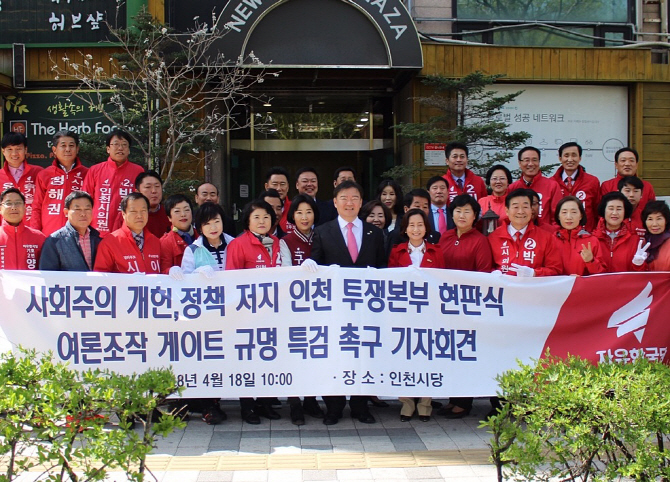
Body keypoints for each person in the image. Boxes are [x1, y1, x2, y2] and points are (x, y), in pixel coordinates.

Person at [304, 180, 386, 426]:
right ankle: (334, 407)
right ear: (335, 202)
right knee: (335, 357)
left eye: (354, 198)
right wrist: (309, 265)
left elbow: (382, 269)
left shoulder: (374, 233)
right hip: (335, 309)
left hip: (365, 308)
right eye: (344, 198)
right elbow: (316, 262)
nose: (349, 203)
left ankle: (361, 406)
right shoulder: (323, 230)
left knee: (364, 355)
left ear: (361, 203)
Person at [226, 200, 282, 424]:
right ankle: (247, 406)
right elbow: (231, 279)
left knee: (269, 358)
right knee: (247, 360)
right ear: (247, 221)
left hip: (274, 312)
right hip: (247, 314)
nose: (262, 221)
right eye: (256, 217)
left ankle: (266, 403)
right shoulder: (238, 245)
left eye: (266, 217)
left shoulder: (277, 242)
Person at [438, 194, 493, 419]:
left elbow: (484, 274)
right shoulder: (446, 237)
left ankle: (465, 401)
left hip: (469, 305)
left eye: (467, 211)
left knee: (466, 353)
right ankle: (453, 398)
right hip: (445, 304)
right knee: (450, 354)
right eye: (458, 211)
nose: (462, 215)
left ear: (475, 216)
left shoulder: (480, 240)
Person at [387, 208, 443, 422]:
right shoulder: (397, 251)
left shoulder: (437, 251)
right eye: (411, 225)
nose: (416, 229)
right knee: (404, 357)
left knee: (427, 358)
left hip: (429, 314)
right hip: (404, 314)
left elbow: (441, 282)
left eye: (420, 225)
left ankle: (425, 405)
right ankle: (407, 403)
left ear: (426, 228)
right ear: (405, 229)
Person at [277, 194, 326, 425]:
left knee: (315, 352)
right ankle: (294, 401)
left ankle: (311, 398)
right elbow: (285, 271)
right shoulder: (285, 241)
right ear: (292, 216)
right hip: (294, 306)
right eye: (299, 212)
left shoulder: (323, 235)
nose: (304, 217)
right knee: (295, 353)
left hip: (320, 305)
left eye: (309, 212)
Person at [82, 130, 145, 237]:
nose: (120, 148)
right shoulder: (95, 170)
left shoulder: (138, 171)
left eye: (124, 145)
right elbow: (85, 200)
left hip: (128, 232)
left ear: (129, 150)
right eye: (116, 144)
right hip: (98, 232)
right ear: (108, 149)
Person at [488, 188, 562, 276]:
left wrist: (534, 273)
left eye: (525, 207)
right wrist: (492, 273)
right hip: (504, 288)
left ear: (531, 210)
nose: (520, 211)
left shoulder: (546, 237)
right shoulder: (493, 237)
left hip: (533, 288)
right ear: (507, 211)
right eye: (515, 207)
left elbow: (555, 269)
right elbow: (484, 268)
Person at [31, 130, 88, 236]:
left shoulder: (87, 174)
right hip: (50, 235)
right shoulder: (44, 174)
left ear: (77, 149)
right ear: (54, 150)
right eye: (63, 145)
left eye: (71, 145)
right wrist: (35, 234)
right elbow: (37, 207)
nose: (67, 149)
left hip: (80, 235)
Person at [93, 192, 161, 273]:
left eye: (143, 210)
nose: (139, 215)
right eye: (133, 211)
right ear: (123, 214)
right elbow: (100, 276)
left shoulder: (156, 242)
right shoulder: (109, 243)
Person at [39, 191, 101, 271]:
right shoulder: (54, 240)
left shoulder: (98, 240)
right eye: (77, 209)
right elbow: (48, 275)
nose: (83, 214)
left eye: (87, 209)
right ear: (66, 212)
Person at [592, 192, 649, 273]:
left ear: (625, 212)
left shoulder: (634, 239)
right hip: (599, 285)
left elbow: (639, 277)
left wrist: (638, 265)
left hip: (625, 285)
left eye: (619, 209)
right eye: (611, 208)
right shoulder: (593, 239)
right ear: (603, 210)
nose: (615, 213)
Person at [551, 142, 601, 232]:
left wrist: (594, 234)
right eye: (566, 155)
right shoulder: (551, 183)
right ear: (560, 158)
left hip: (586, 235)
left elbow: (597, 212)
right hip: (559, 237)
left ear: (580, 158)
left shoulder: (592, 181)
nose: (570, 159)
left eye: (574, 155)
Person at [553, 196, 606, 276]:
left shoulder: (592, 241)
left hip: (583, 287)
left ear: (581, 215)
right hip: (557, 287)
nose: (569, 217)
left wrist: (591, 261)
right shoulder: (551, 240)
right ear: (558, 216)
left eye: (574, 212)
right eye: (564, 212)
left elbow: (602, 274)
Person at [509, 146, 561, 226]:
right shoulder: (513, 188)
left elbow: (557, 217)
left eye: (534, 160)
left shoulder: (552, 186)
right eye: (527, 160)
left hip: (545, 235)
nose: (530, 164)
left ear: (539, 162)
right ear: (520, 163)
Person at [0, 132, 43, 224]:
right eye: (9, 149)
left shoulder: (39, 173)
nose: (14, 153)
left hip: (34, 231)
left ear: (25, 150)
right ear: (3, 151)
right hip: (5, 233)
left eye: (18, 149)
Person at [0, 187, 46, 269]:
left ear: (25, 207)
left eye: (18, 203)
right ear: (0, 208)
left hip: (31, 282)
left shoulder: (39, 238)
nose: (13, 207)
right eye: (8, 203)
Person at [159, 194, 198, 274]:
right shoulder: (166, 242)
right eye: (177, 211)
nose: (183, 214)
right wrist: (170, 271)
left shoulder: (202, 236)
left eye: (187, 210)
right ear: (169, 218)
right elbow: (163, 271)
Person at [134, 171, 171, 238]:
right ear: (137, 192)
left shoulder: (170, 214)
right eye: (148, 187)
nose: (154, 191)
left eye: (157, 186)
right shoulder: (128, 216)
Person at [642, 200, 670, 271]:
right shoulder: (642, 242)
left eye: (659, 219)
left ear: (666, 220)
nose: (654, 224)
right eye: (650, 219)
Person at [264, 167, 292, 233]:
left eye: (282, 184)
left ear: (287, 187)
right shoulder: (257, 209)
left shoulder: (295, 208)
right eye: (275, 184)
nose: (279, 188)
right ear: (266, 186)